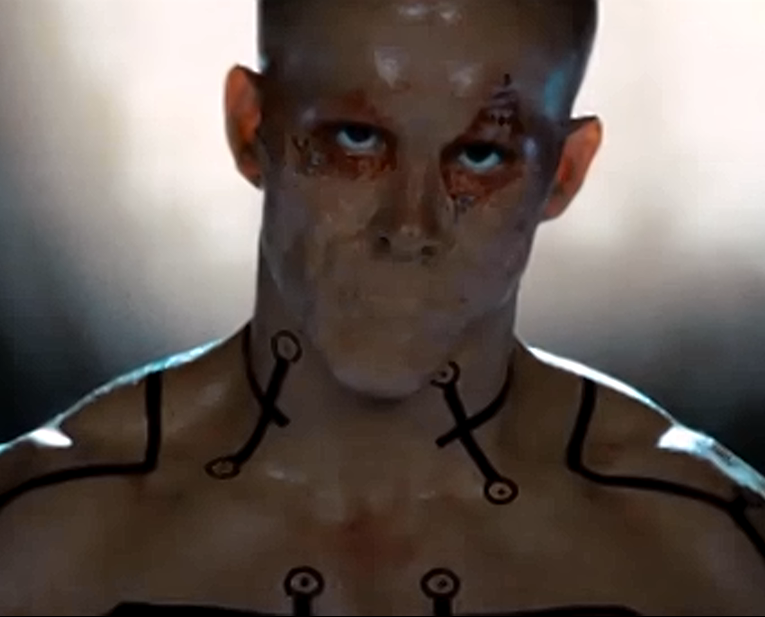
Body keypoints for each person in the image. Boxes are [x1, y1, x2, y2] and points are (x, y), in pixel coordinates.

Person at [1, 0, 763, 615]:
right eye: (356, 138)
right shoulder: (37, 534)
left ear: (562, 173)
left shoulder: (709, 549)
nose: (409, 225)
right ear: (251, 126)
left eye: (480, 153)